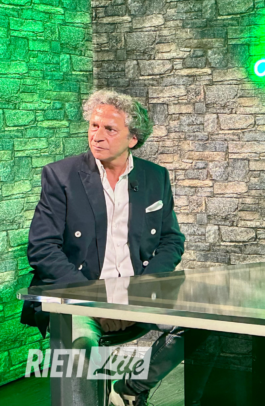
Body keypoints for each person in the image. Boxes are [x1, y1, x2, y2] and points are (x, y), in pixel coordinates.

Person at [20, 90, 201, 406]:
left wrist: (144, 289)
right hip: (78, 295)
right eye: (94, 126)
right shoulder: (60, 175)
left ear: (133, 138)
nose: (97, 136)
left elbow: (171, 240)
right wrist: (94, 300)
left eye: (109, 129)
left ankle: (130, 389)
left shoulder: (155, 177)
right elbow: (42, 248)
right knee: (81, 347)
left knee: (202, 323)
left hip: (136, 295)